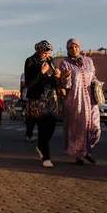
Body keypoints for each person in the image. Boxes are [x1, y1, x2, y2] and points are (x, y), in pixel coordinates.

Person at [59, 38, 101, 165]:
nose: (74, 49)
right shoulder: (64, 64)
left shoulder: (88, 61)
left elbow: (92, 76)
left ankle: (87, 150)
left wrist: (95, 82)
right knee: (78, 129)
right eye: (71, 47)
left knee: (94, 127)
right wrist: (66, 76)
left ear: (79, 47)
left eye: (76, 47)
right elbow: (66, 85)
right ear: (68, 49)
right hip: (75, 100)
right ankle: (80, 155)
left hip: (91, 100)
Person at [24, 40, 61, 168]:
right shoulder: (30, 61)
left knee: (51, 126)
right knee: (42, 127)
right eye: (45, 52)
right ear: (40, 50)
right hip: (38, 99)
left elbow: (52, 79)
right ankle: (46, 157)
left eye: (49, 52)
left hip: (51, 98)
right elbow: (29, 83)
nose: (47, 54)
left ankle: (40, 146)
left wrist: (58, 74)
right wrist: (42, 72)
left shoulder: (50, 61)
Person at [21, 72, 37, 142]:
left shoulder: (36, 73)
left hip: (35, 97)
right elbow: (22, 86)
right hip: (27, 98)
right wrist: (31, 83)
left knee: (33, 117)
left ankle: (29, 134)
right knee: (29, 117)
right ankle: (29, 135)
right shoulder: (24, 74)